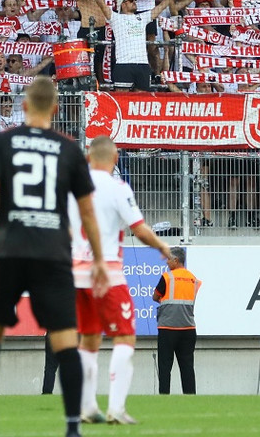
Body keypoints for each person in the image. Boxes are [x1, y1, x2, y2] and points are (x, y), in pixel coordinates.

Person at [0, 74, 108, 437]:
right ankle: (73, 427)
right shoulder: (70, 148)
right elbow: (88, 212)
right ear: (56, 109)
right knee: (64, 339)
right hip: (52, 253)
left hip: (11, 248)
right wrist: (98, 260)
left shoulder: (4, 141)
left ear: (25, 106)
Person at [72, 137, 169, 424]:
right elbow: (139, 229)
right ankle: (116, 408)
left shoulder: (72, 185)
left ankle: (87, 407)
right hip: (108, 272)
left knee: (88, 338)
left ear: (89, 157)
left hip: (76, 272)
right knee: (124, 335)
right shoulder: (117, 187)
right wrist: (162, 247)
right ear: (115, 157)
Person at [153, 247, 199, 395]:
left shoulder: (167, 277)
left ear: (176, 260)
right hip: (188, 328)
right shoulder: (193, 278)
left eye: (168, 259)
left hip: (168, 328)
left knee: (165, 368)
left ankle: (164, 399)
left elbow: (155, 296)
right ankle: (190, 398)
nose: (166, 262)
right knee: (187, 367)